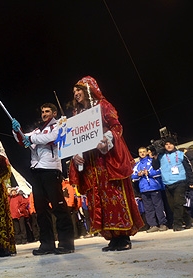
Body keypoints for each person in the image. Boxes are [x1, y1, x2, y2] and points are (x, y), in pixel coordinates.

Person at [67, 76, 144, 251]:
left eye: (78, 89)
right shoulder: (77, 115)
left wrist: (107, 138)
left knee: (114, 196)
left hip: (107, 160)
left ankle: (122, 236)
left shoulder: (103, 106)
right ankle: (111, 236)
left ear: (88, 89)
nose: (76, 94)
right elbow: (75, 140)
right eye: (74, 92)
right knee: (97, 199)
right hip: (91, 165)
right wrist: (75, 154)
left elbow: (117, 127)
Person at [12, 103, 75, 255]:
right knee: (41, 210)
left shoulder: (58, 124)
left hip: (51, 169)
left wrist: (30, 138)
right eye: (42, 112)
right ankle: (47, 243)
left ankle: (66, 243)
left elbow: (52, 138)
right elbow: (22, 140)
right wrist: (16, 131)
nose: (44, 114)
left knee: (58, 206)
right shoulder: (37, 130)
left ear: (54, 113)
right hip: (37, 170)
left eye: (47, 111)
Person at [152, 137, 193, 231]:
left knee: (178, 204)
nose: (169, 146)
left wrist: (191, 181)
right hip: (167, 183)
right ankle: (188, 219)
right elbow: (155, 167)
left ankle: (177, 224)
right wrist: (154, 158)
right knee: (173, 206)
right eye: (166, 144)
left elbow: (188, 168)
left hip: (180, 181)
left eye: (170, 144)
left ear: (174, 144)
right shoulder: (161, 156)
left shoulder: (180, 154)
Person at [132, 147, 168, 232]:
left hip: (154, 187)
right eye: (140, 152)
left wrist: (149, 173)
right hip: (144, 189)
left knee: (158, 206)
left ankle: (163, 223)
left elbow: (159, 171)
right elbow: (132, 176)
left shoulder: (152, 161)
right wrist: (139, 175)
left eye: (144, 152)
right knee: (148, 208)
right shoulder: (137, 164)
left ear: (147, 152)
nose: (142, 153)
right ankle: (153, 225)